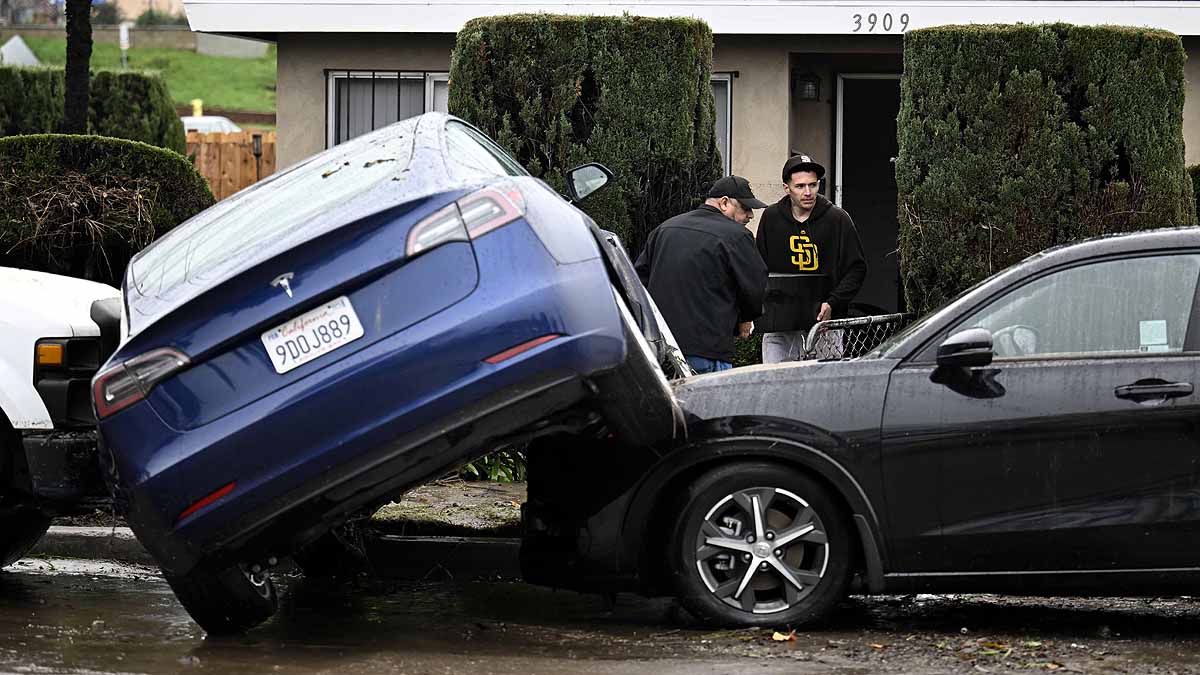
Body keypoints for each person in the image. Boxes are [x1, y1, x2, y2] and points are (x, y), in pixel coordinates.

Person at [635, 176, 769, 374]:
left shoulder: (665, 229)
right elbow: (755, 288)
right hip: (709, 350)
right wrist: (746, 318)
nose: (750, 215)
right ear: (724, 203)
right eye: (745, 208)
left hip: (660, 349)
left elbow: (638, 283)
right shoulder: (737, 235)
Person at [756, 154, 867, 363]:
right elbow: (759, 268)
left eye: (813, 185)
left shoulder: (837, 219)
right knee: (777, 386)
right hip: (780, 327)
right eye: (800, 186)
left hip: (825, 326)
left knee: (823, 387)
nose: (808, 192)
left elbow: (857, 268)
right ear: (786, 188)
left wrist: (833, 303)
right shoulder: (771, 218)